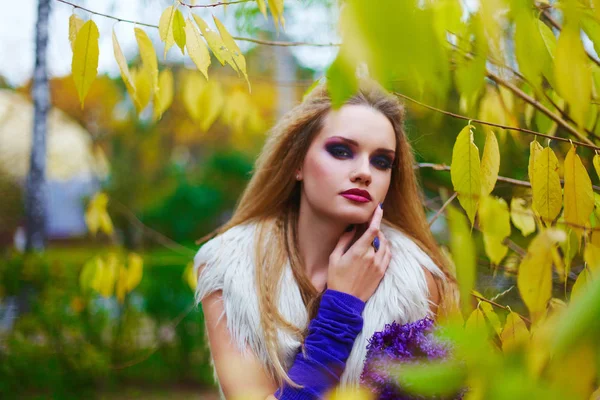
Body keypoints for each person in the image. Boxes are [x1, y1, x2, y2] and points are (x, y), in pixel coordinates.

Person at [193, 79, 460, 400]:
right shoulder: (230, 268)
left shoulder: (414, 282)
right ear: (297, 164)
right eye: (341, 151)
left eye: (381, 161)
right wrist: (341, 308)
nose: (364, 172)